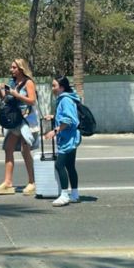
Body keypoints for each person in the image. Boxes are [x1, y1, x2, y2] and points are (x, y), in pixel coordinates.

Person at [0, 59, 38, 196]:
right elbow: (5, 99)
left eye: (14, 67)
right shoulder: (13, 83)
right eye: (11, 67)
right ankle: (8, 182)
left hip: (26, 121)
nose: (11, 69)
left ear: (21, 68)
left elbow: (32, 100)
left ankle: (32, 181)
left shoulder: (28, 82)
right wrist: (0, 91)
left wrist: (17, 95)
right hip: (15, 120)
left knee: (25, 151)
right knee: (8, 148)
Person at [43, 75, 82, 207]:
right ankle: (75, 194)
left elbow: (69, 120)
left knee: (59, 165)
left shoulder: (65, 100)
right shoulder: (67, 99)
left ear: (61, 87)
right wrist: (53, 116)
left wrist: (54, 131)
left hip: (67, 138)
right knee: (70, 166)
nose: (52, 89)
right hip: (71, 137)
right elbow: (67, 116)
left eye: (54, 86)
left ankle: (64, 195)